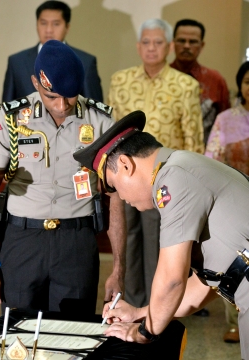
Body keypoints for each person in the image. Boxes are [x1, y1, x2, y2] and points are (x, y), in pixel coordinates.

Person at [73, 110, 249, 360]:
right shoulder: (182, 166)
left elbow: (172, 278)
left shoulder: (174, 178)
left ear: (125, 164)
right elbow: (206, 285)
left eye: (113, 185)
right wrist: (141, 313)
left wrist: (144, 332)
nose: (121, 197)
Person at [0, 40, 126, 317]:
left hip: (77, 243)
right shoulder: (10, 119)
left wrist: (118, 269)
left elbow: (115, 197)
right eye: (51, 96)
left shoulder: (101, 122)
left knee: (71, 336)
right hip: (22, 241)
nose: (61, 105)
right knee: (18, 337)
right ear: (35, 82)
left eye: (69, 96)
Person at [108, 18, 204, 308]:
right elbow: (111, 134)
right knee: (128, 241)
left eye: (158, 42)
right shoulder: (120, 80)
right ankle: (132, 304)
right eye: (146, 42)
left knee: (161, 245)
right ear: (139, 47)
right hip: (125, 178)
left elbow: (194, 140)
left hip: (167, 182)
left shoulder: (185, 85)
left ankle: (158, 308)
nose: (152, 48)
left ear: (169, 46)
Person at [205, 61, 249, 343]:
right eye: (247, 82)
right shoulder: (225, 119)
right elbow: (211, 160)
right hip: (236, 199)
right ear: (240, 85)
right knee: (236, 261)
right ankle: (236, 319)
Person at [2, 0, 103, 103]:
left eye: (56, 24)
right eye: (43, 23)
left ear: (67, 27)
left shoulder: (85, 62)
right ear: (37, 25)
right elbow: (7, 109)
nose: (49, 30)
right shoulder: (17, 62)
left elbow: (94, 111)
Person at [171, 19, 231, 144]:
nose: (187, 46)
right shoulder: (160, 78)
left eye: (192, 42)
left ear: (201, 45)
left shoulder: (215, 80)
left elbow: (226, 125)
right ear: (173, 43)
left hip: (204, 156)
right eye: (182, 40)